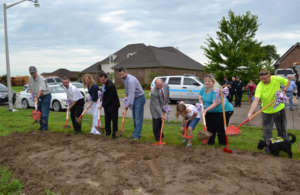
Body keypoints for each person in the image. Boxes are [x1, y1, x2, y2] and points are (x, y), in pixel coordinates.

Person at [247, 69, 290, 152]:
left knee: (282, 130)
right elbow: (256, 100)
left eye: (265, 78)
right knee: (267, 132)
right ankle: (269, 149)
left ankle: (285, 147)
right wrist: (250, 113)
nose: (263, 80)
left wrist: (284, 90)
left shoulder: (276, 79)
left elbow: (288, 82)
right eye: (261, 79)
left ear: (269, 76)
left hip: (279, 109)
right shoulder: (260, 86)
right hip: (266, 111)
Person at [199, 74, 234, 145]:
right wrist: (202, 105)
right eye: (205, 81)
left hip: (224, 110)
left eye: (209, 81)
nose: (207, 82)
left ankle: (222, 144)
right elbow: (200, 97)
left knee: (221, 128)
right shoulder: (204, 88)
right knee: (210, 127)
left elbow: (216, 103)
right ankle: (210, 142)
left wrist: (205, 110)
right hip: (210, 110)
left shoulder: (216, 89)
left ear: (213, 81)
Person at [118, 67, 146, 140]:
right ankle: (136, 134)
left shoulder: (131, 80)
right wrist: (125, 99)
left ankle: (136, 135)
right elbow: (127, 92)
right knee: (135, 117)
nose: (121, 76)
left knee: (138, 118)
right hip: (134, 97)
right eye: (120, 75)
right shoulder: (125, 79)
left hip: (139, 98)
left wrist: (127, 105)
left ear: (126, 72)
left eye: (122, 74)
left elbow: (131, 94)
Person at [28, 66, 51, 131]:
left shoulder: (41, 79)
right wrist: (33, 97)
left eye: (34, 72)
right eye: (31, 73)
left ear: (36, 71)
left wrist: (36, 97)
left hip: (46, 96)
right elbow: (30, 89)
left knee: (44, 113)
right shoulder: (30, 79)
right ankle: (41, 126)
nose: (33, 74)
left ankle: (45, 128)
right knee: (39, 112)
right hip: (38, 96)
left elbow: (41, 90)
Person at [98, 72, 120, 139]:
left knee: (114, 120)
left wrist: (102, 105)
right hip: (107, 105)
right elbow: (104, 95)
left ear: (106, 78)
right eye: (100, 80)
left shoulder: (110, 85)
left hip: (113, 105)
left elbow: (109, 98)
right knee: (107, 119)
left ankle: (114, 134)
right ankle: (108, 132)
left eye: (103, 80)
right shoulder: (104, 85)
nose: (102, 81)